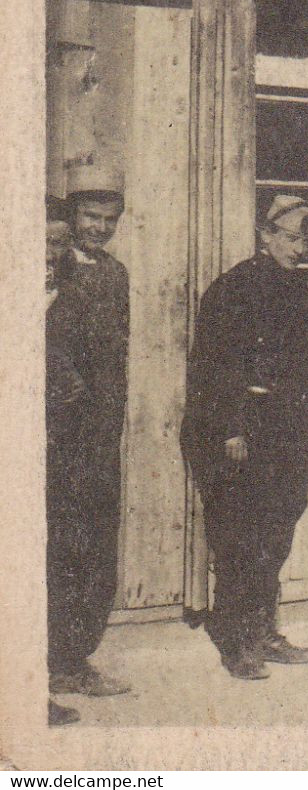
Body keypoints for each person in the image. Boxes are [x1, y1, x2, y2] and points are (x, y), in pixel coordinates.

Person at [181, 195, 308, 680]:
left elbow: (304, 372)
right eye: (290, 236)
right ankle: (238, 642)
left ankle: (264, 630)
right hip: (238, 436)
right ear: (265, 235)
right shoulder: (233, 289)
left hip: (285, 435)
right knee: (238, 540)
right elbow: (212, 368)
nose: (299, 247)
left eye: (306, 238)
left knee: (274, 539)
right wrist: (229, 430)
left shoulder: (294, 290)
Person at [47, 167, 132, 702]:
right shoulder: (51, 270)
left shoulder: (115, 273)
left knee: (98, 546)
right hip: (61, 435)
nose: (98, 228)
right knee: (62, 545)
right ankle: (54, 662)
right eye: (90, 217)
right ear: (72, 217)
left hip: (102, 432)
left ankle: (78, 658)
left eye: (109, 220)